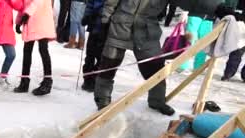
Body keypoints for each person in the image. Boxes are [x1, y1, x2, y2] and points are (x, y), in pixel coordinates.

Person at [93, 0, 226, 116]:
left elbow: (193, 1)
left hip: (147, 30)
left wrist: (218, 7)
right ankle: (102, 101)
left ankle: (157, 101)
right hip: (120, 25)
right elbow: (111, 2)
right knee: (108, 65)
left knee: (155, 67)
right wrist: (104, 21)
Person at [14, 0, 56, 95]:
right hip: (30, 21)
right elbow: (23, 4)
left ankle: (47, 82)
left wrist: (27, 14)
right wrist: (19, 20)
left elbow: (38, 1)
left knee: (43, 50)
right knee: (27, 51)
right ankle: (24, 81)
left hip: (42, 20)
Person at [80, 0, 106, 92]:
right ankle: (87, 79)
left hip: (105, 28)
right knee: (89, 55)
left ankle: (95, 79)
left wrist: (101, 14)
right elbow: (90, 4)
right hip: (93, 27)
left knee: (101, 57)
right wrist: (86, 16)